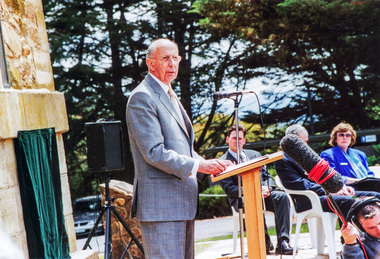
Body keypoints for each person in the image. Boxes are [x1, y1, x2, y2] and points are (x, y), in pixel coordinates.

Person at [126, 38, 233, 259]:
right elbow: (155, 152)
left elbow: (181, 147)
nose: (172, 63)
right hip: (161, 209)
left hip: (181, 203)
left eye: (176, 58)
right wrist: (200, 165)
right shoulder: (142, 97)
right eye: (165, 58)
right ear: (150, 64)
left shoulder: (169, 93)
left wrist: (209, 165)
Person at [275, 124, 380, 220]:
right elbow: (300, 185)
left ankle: (374, 234)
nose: (305, 146)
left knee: (374, 196)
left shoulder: (307, 156)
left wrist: (341, 187)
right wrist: (330, 190)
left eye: (306, 142)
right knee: (348, 200)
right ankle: (350, 238)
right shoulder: (283, 160)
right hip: (309, 199)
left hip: (326, 193)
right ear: (291, 141)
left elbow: (325, 176)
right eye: (302, 142)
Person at [218, 125, 293, 255]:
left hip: (263, 193)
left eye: (240, 138)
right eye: (234, 138)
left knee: (282, 197)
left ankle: (283, 242)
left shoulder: (255, 155)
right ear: (227, 139)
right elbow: (230, 189)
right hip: (242, 198)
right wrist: (253, 191)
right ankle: (262, 242)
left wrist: (267, 188)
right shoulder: (222, 161)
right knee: (252, 202)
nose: (237, 141)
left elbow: (266, 176)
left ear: (244, 141)